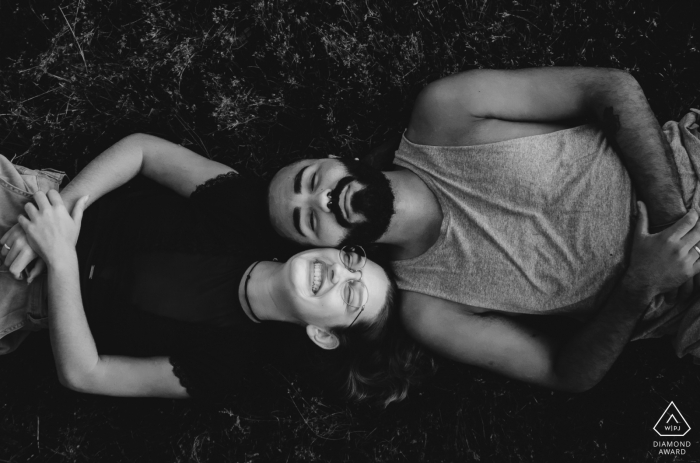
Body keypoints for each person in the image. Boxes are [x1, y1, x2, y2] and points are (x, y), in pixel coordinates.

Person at [264, 67, 700, 392]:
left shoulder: (446, 112)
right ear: (330, 249)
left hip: (688, 178)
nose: (321, 199)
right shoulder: (431, 310)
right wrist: (640, 284)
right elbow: (565, 374)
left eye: (309, 182)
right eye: (307, 221)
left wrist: (672, 220)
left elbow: (610, 88)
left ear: (334, 160)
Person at [0, 138, 424, 406]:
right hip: (40, 209)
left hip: (24, 297)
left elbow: (85, 374)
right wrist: (61, 214)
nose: (339, 275)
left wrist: (59, 259)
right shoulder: (245, 213)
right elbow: (144, 151)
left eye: (352, 296)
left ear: (324, 334)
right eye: (353, 263)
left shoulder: (227, 367)